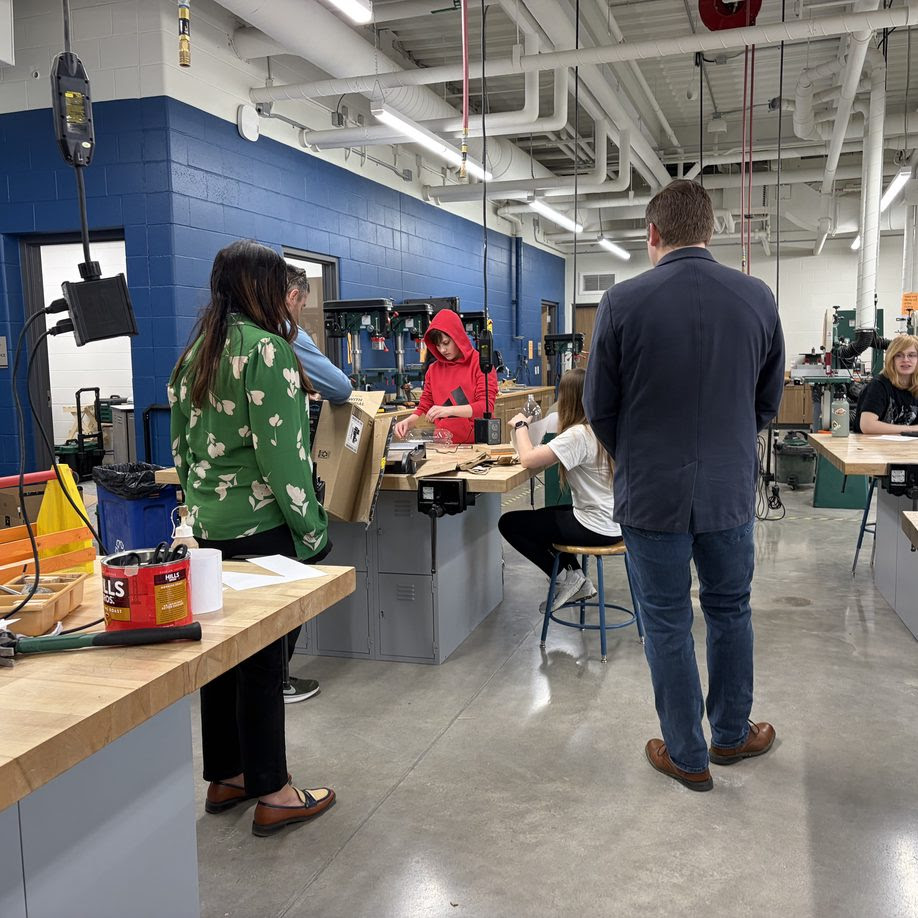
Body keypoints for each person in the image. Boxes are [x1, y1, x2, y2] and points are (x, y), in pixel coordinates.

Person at [583, 180, 785, 792]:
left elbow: (599, 406)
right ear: (710, 230)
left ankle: (686, 755)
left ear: (653, 234)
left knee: (667, 622)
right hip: (728, 491)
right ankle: (730, 735)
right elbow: (768, 400)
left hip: (651, 495)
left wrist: (640, 456)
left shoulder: (620, 303)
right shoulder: (757, 297)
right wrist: (724, 448)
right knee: (730, 610)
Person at [169, 240, 335, 835]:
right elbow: (285, 457)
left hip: (210, 536)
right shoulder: (268, 350)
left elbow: (183, 454)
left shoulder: (195, 354)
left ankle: (227, 775)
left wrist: (198, 515)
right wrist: (313, 533)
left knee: (222, 662)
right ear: (263, 289)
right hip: (265, 534)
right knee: (264, 664)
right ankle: (274, 789)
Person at [280, 265, 353, 703]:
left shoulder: (214, 339)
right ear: (293, 297)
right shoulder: (285, 336)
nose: (303, 309)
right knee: (302, 565)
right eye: (303, 302)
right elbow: (340, 387)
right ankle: (278, 680)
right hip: (280, 486)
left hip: (219, 499)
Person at [498, 368, 621, 610]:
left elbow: (529, 460)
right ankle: (576, 578)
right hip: (616, 522)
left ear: (569, 399)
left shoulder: (578, 435)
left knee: (510, 524)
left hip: (596, 527)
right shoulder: (602, 427)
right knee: (548, 517)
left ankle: (568, 577)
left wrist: (521, 424)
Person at [393, 309, 497, 443]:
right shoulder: (433, 370)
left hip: (479, 444)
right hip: (444, 446)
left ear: (458, 337)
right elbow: (425, 406)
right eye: (438, 345)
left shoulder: (481, 364)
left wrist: (449, 410)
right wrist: (409, 421)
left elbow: (485, 407)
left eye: (446, 343)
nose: (442, 350)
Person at [854, 334, 918, 433]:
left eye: (911, 355)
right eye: (899, 355)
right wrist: (911, 429)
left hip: (908, 446)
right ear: (891, 359)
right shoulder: (879, 386)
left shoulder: (916, 387)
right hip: (872, 446)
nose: (905, 359)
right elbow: (867, 425)